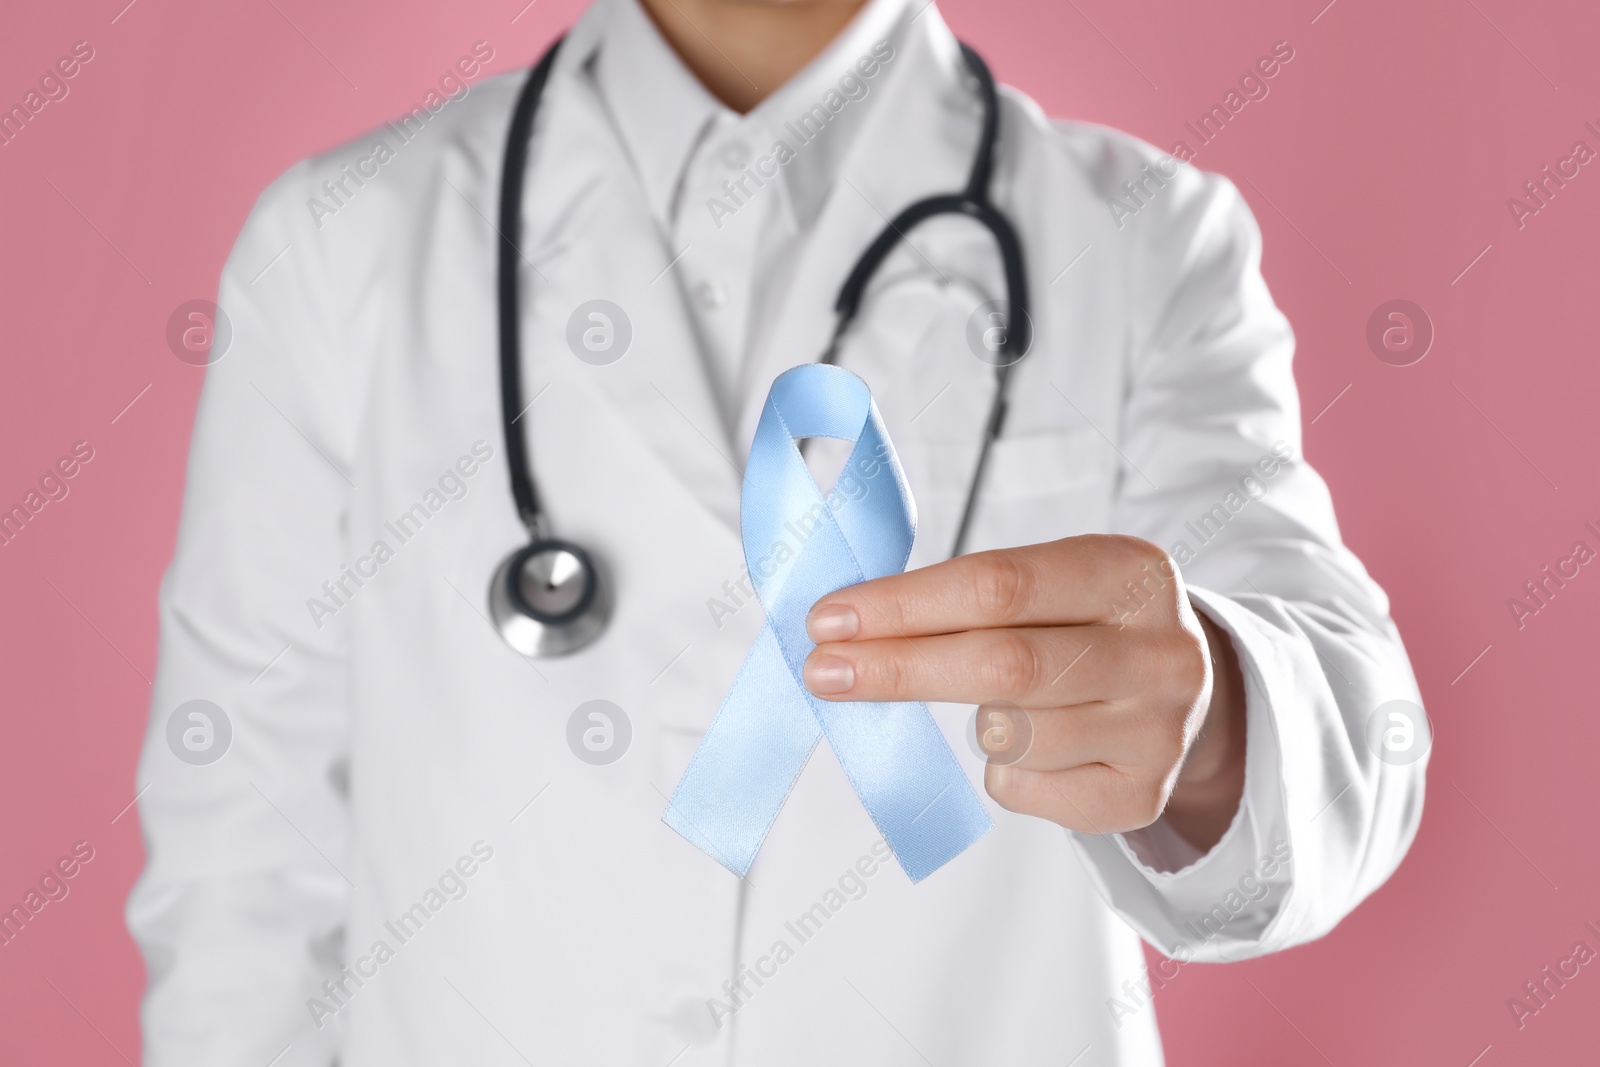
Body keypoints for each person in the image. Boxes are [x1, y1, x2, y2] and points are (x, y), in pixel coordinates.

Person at [128, 0, 1427, 1063]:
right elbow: (243, 861)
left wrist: (1210, 721)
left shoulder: (1142, 240)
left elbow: (1364, 742)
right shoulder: (341, 245)